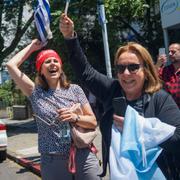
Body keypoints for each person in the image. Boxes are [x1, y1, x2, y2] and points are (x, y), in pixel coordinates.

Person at [59, 14, 180, 179]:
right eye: (121, 68)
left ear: (146, 70)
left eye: (133, 67)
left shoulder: (160, 98)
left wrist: (135, 127)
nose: (126, 73)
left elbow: (178, 139)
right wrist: (69, 37)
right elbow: (85, 72)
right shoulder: (112, 90)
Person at [6, 39, 101, 180]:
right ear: (41, 70)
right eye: (47, 61)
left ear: (60, 67)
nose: (52, 64)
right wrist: (32, 46)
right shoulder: (35, 93)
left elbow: (93, 122)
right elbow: (10, 65)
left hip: (83, 154)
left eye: (55, 61)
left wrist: (75, 117)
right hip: (53, 160)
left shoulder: (75, 90)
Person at [156, 43, 180, 108]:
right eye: (169, 52)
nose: (169, 54)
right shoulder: (165, 70)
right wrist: (158, 64)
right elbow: (151, 77)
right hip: (171, 110)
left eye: (173, 52)